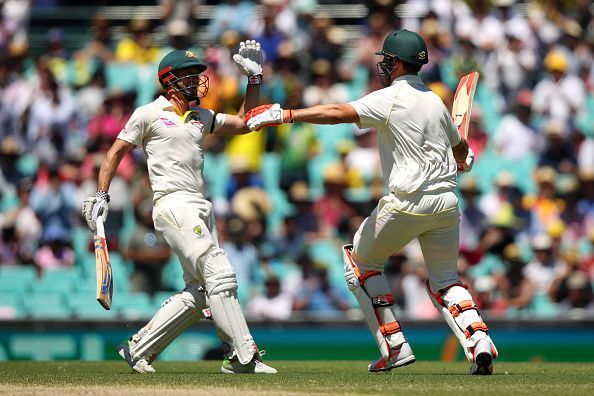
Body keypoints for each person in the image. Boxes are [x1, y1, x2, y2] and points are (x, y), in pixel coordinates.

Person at [245, 29, 498, 374]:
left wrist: (286, 114)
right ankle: (479, 340)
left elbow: (337, 112)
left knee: (358, 263)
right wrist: (464, 160)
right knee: (446, 282)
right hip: (446, 204)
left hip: (409, 201)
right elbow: (461, 151)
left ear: (394, 64)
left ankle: (394, 346)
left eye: (386, 61)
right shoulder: (435, 101)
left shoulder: (391, 96)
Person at [82, 41, 276, 374]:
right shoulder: (148, 114)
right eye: (189, 76)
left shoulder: (202, 115)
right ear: (170, 80)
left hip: (200, 205)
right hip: (172, 203)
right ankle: (244, 356)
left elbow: (246, 124)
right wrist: (101, 195)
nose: (198, 81)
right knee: (220, 271)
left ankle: (138, 348)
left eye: (198, 75)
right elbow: (114, 153)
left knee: (201, 291)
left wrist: (254, 81)